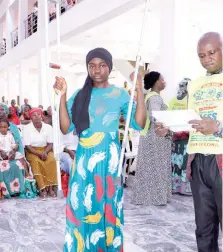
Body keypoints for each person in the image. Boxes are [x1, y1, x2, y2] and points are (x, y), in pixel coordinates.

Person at [54, 47, 146, 251]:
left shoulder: (119, 94)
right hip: (84, 161)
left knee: (108, 207)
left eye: (102, 65)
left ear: (110, 68)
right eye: (92, 66)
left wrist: (139, 89)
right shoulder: (80, 94)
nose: (97, 70)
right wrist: (62, 96)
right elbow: (65, 127)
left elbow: (138, 124)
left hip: (110, 162)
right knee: (81, 207)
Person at [155, 32, 222, 252]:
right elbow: (190, 121)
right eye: (202, 55)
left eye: (212, 52)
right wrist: (169, 129)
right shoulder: (195, 85)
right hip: (197, 161)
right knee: (203, 228)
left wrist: (218, 127)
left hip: (221, 160)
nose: (207, 59)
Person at [131, 71, 172, 206]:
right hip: (156, 137)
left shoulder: (150, 96)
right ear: (155, 82)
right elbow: (156, 117)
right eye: (162, 79)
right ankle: (155, 197)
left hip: (151, 135)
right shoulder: (154, 98)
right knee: (156, 168)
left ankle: (149, 196)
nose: (164, 81)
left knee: (150, 167)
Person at [23, 108, 58, 200]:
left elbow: (50, 143)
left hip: (46, 149)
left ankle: (50, 188)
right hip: (32, 151)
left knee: (51, 160)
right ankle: (42, 189)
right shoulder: (27, 128)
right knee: (36, 162)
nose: (37, 117)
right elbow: (28, 146)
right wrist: (39, 154)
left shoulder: (48, 127)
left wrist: (45, 152)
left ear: (42, 116)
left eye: (38, 114)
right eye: (34, 115)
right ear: (31, 117)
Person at [168, 78, 192, 195]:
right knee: (184, 161)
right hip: (186, 136)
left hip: (175, 135)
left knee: (175, 160)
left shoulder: (173, 100)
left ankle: (175, 187)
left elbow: (169, 116)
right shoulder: (189, 100)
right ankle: (184, 188)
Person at [0, 105, 27, 198]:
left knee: (18, 164)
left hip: (11, 153)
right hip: (1, 155)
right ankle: (4, 192)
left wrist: (14, 152)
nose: (0, 112)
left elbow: (17, 142)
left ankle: (17, 190)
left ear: (6, 112)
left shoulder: (13, 127)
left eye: (2, 110)